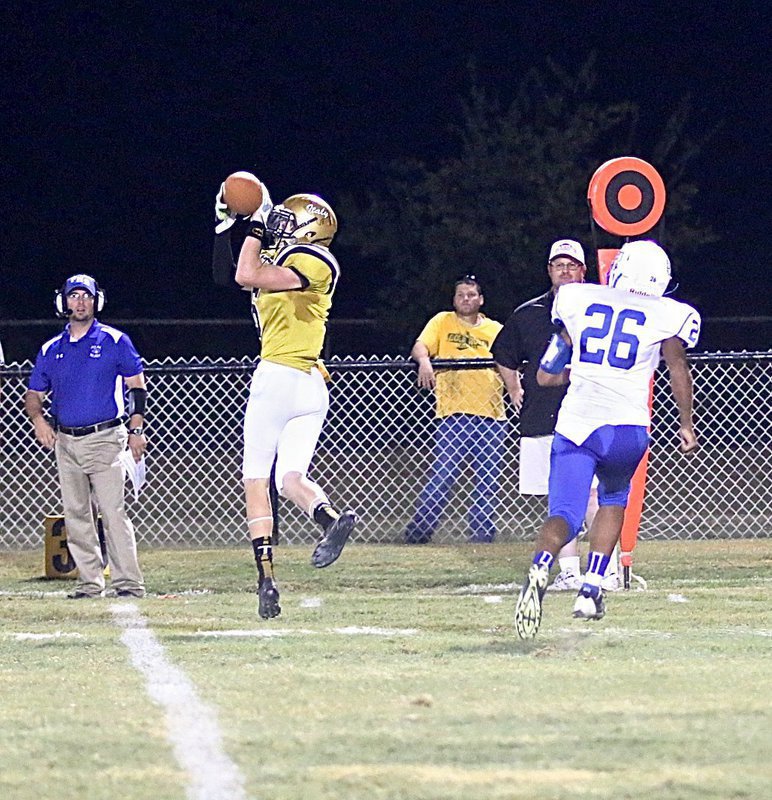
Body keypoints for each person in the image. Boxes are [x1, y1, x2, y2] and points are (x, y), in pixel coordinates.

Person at [513, 240, 700, 639]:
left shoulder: (576, 297)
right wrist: (686, 423)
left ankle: (541, 565)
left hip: (577, 423)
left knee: (564, 511)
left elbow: (547, 372)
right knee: (614, 500)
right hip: (627, 428)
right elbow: (677, 368)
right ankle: (592, 588)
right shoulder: (669, 313)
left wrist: (572, 370)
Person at [213, 179, 356, 620]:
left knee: (256, 479)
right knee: (289, 479)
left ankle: (266, 579)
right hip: (311, 385)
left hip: (279, 375)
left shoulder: (315, 259)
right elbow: (227, 274)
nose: (283, 223)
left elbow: (244, 274)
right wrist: (226, 226)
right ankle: (330, 518)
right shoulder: (287, 259)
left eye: (291, 219)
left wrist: (256, 229)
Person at [493, 239, 618, 590]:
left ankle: (603, 570)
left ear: (583, 270)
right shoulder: (529, 313)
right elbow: (504, 353)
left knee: (595, 495)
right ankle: (569, 571)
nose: (565, 270)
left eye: (571, 265)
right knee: (560, 499)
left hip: (591, 415)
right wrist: (514, 388)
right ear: (549, 270)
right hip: (544, 416)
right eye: (558, 265)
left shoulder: (600, 309)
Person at [24, 274, 147, 599]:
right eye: (74, 296)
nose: (80, 302)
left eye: (86, 296)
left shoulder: (114, 340)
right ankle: (90, 582)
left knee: (113, 511)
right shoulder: (52, 348)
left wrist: (136, 429)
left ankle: (128, 583)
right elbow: (34, 393)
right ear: (62, 302)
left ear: (97, 301)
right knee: (76, 514)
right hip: (66, 442)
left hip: (106, 438)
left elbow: (136, 387)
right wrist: (38, 420)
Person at [405, 276, 507, 544]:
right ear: (454, 299)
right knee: (444, 473)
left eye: (471, 295)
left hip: (492, 416)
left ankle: (482, 536)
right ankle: (419, 532)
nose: (466, 299)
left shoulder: (495, 330)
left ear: (481, 299)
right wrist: (425, 362)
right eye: (461, 295)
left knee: (487, 481)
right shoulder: (442, 321)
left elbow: (509, 362)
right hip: (453, 414)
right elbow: (420, 346)